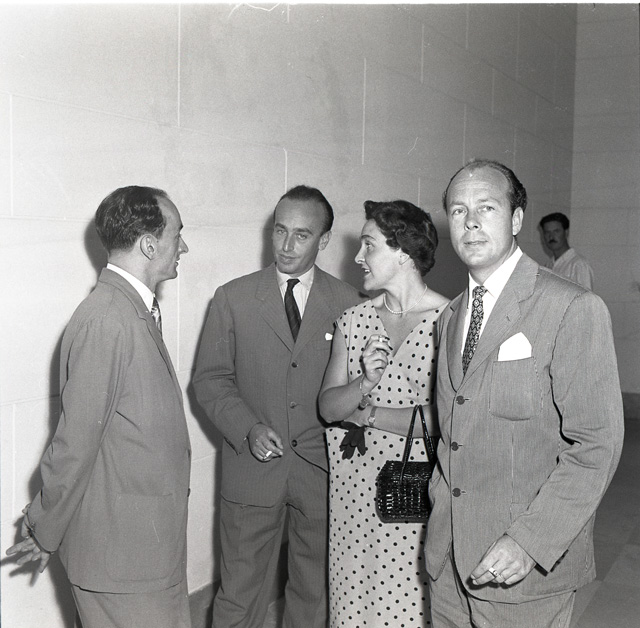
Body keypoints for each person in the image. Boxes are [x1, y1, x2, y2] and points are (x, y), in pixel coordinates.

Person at [426, 159, 624, 628]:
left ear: (516, 219)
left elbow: (597, 444)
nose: (470, 222)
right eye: (458, 210)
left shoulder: (571, 307)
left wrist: (530, 541)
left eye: (486, 207)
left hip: (522, 568)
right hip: (448, 562)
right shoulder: (450, 318)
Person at [5, 186, 192, 628]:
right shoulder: (107, 319)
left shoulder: (129, 311)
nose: (183, 246)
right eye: (177, 234)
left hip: (144, 550)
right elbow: (75, 444)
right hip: (123, 558)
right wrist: (44, 527)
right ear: (149, 245)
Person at [192, 185, 361, 628]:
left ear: (324, 240)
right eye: (280, 231)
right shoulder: (233, 297)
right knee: (239, 595)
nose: (286, 245)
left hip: (322, 472)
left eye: (301, 235)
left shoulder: (349, 304)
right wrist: (247, 427)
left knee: (314, 594)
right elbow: (210, 380)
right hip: (253, 472)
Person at [319, 199, 448, 626]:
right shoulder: (353, 320)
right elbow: (328, 407)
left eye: (369, 245)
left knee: (405, 601)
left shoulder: (450, 321)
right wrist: (364, 384)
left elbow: (449, 418)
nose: (358, 257)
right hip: (352, 489)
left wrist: (369, 414)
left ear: (404, 252)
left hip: (413, 490)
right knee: (353, 600)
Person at [539, 211, 594, 289]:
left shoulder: (578, 265)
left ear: (566, 232)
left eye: (556, 231)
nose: (551, 236)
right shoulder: (548, 266)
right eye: (547, 232)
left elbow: (585, 296)